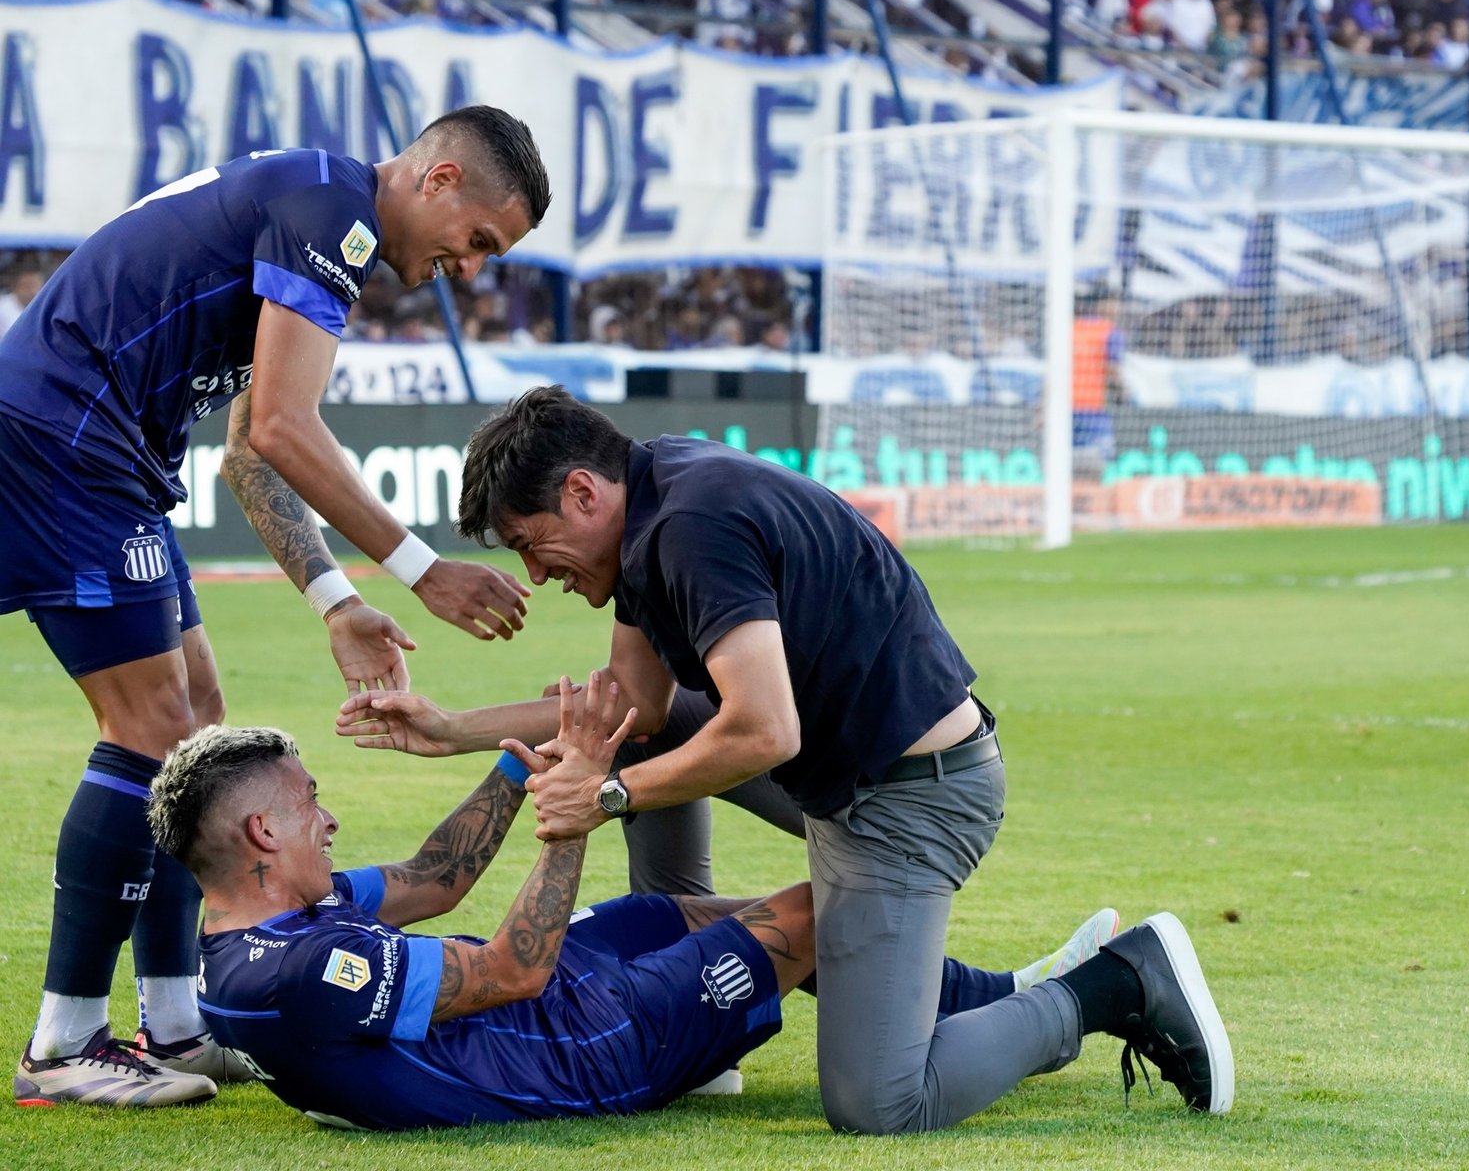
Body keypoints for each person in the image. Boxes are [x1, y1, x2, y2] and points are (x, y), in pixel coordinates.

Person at [337, 387, 1234, 1133]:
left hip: (913, 797)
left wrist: (606, 797)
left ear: (581, 492)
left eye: (532, 544)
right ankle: (703, 1024)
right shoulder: (652, 498)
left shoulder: (689, 527)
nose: (537, 575)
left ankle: (1114, 983)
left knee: (879, 1100)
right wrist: (449, 727)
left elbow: (765, 733)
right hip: (855, 768)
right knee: (641, 732)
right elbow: (634, 706)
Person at [4, 105, 549, 1107]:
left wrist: (336, 599)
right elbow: (292, 429)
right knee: (154, 728)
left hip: (110, 454)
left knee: (196, 725)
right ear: (435, 182)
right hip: (60, 439)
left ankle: (172, 1025)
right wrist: (423, 570)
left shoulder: (313, 203)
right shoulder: (330, 214)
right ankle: (62, 1041)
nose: (469, 268)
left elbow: (251, 442)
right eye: (477, 241)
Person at [140, 686, 1131, 1131]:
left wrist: (513, 770)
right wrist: (571, 814)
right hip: (579, 1049)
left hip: (545, 1006)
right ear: (265, 838)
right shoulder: (302, 972)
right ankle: (1085, 999)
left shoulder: (255, 927)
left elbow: (435, 880)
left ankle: (998, 992)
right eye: (310, 806)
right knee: (836, 905)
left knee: (673, 915)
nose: (331, 818)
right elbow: (510, 974)